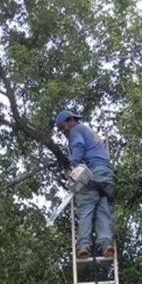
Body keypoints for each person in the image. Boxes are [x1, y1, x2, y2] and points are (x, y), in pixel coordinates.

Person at [54, 109, 116, 259]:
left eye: (63, 127)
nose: (63, 131)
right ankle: (107, 244)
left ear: (71, 121)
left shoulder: (76, 131)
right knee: (103, 209)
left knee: (85, 209)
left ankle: (83, 246)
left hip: (92, 173)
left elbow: (78, 146)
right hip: (106, 175)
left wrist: (74, 166)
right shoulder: (89, 132)